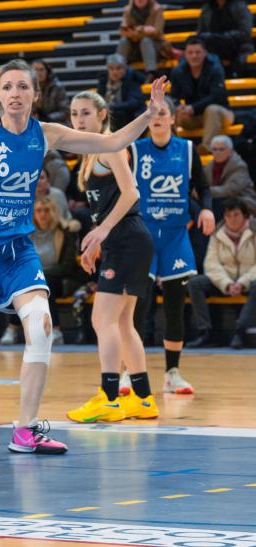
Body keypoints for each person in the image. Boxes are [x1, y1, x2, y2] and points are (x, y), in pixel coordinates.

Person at [0, 62, 168, 452]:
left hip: (18, 251)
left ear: (36, 95)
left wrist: (150, 112)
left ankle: (26, 429)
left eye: (23, 86)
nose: (15, 93)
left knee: (39, 325)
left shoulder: (47, 133)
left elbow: (112, 141)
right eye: (8, 87)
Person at [66, 91, 159, 423]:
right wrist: (95, 243)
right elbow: (103, 208)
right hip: (124, 241)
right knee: (121, 323)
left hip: (128, 239)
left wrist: (102, 232)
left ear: (103, 115)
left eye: (86, 113)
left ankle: (108, 397)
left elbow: (131, 191)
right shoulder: (88, 155)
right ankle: (143, 398)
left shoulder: (111, 146)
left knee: (101, 320)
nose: (78, 120)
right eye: (74, 113)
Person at [127, 96, 215, 395]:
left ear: (173, 118)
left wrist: (205, 209)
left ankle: (172, 372)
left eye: (163, 112)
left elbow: (202, 187)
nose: (158, 117)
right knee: (138, 308)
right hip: (144, 236)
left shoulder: (188, 150)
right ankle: (129, 370)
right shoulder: (135, 150)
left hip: (177, 237)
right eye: (152, 113)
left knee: (176, 306)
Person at [187, 198, 255, 349]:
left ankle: (240, 332)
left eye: (236, 215)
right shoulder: (217, 233)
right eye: (228, 215)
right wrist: (227, 284)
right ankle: (205, 333)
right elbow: (211, 264)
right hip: (225, 281)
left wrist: (242, 283)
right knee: (194, 283)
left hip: (248, 280)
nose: (232, 219)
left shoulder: (254, 232)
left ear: (245, 216)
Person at [30, 196, 82, 345]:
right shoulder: (28, 234)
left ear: (54, 212)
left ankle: (56, 330)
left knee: (45, 283)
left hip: (62, 280)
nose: (42, 214)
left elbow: (68, 266)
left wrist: (40, 275)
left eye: (47, 210)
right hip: (36, 279)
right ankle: (13, 328)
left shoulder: (66, 232)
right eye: (38, 211)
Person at [170, 36, 234, 153]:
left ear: (205, 53)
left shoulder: (216, 68)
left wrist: (193, 108)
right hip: (192, 118)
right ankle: (173, 148)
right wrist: (179, 106)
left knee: (212, 109)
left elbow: (217, 97)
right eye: (190, 52)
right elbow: (174, 97)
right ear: (185, 54)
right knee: (168, 108)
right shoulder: (178, 71)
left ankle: (207, 147)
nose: (194, 56)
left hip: (221, 114)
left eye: (198, 52)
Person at [197, 0, 254, 77]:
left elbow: (245, 33)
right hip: (213, 51)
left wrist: (220, 38)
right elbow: (200, 35)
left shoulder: (240, 6)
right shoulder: (207, 8)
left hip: (237, 50)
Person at [204, 135, 256, 219]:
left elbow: (231, 190)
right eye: (214, 149)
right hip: (219, 200)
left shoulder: (239, 166)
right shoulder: (209, 166)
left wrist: (206, 191)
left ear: (230, 151)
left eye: (221, 149)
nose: (217, 152)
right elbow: (202, 185)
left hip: (243, 200)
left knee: (219, 204)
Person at [117, 0, 168, 80]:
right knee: (123, 41)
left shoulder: (157, 9)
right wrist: (144, 30)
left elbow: (157, 32)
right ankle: (117, 71)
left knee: (145, 41)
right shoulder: (128, 9)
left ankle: (151, 73)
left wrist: (135, 31)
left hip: (155, 47)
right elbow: (123, 31)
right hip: (134, 48)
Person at [98, 54, 146, 130]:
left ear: (125, 69)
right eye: (111, 68)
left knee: (117, 114)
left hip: (130, 116)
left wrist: (111, 106)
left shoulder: (132, 78)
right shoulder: (103, 80)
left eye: (118, 68)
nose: (115, 72)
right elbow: (99, 98)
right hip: (111, 113)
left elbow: (133, 103)